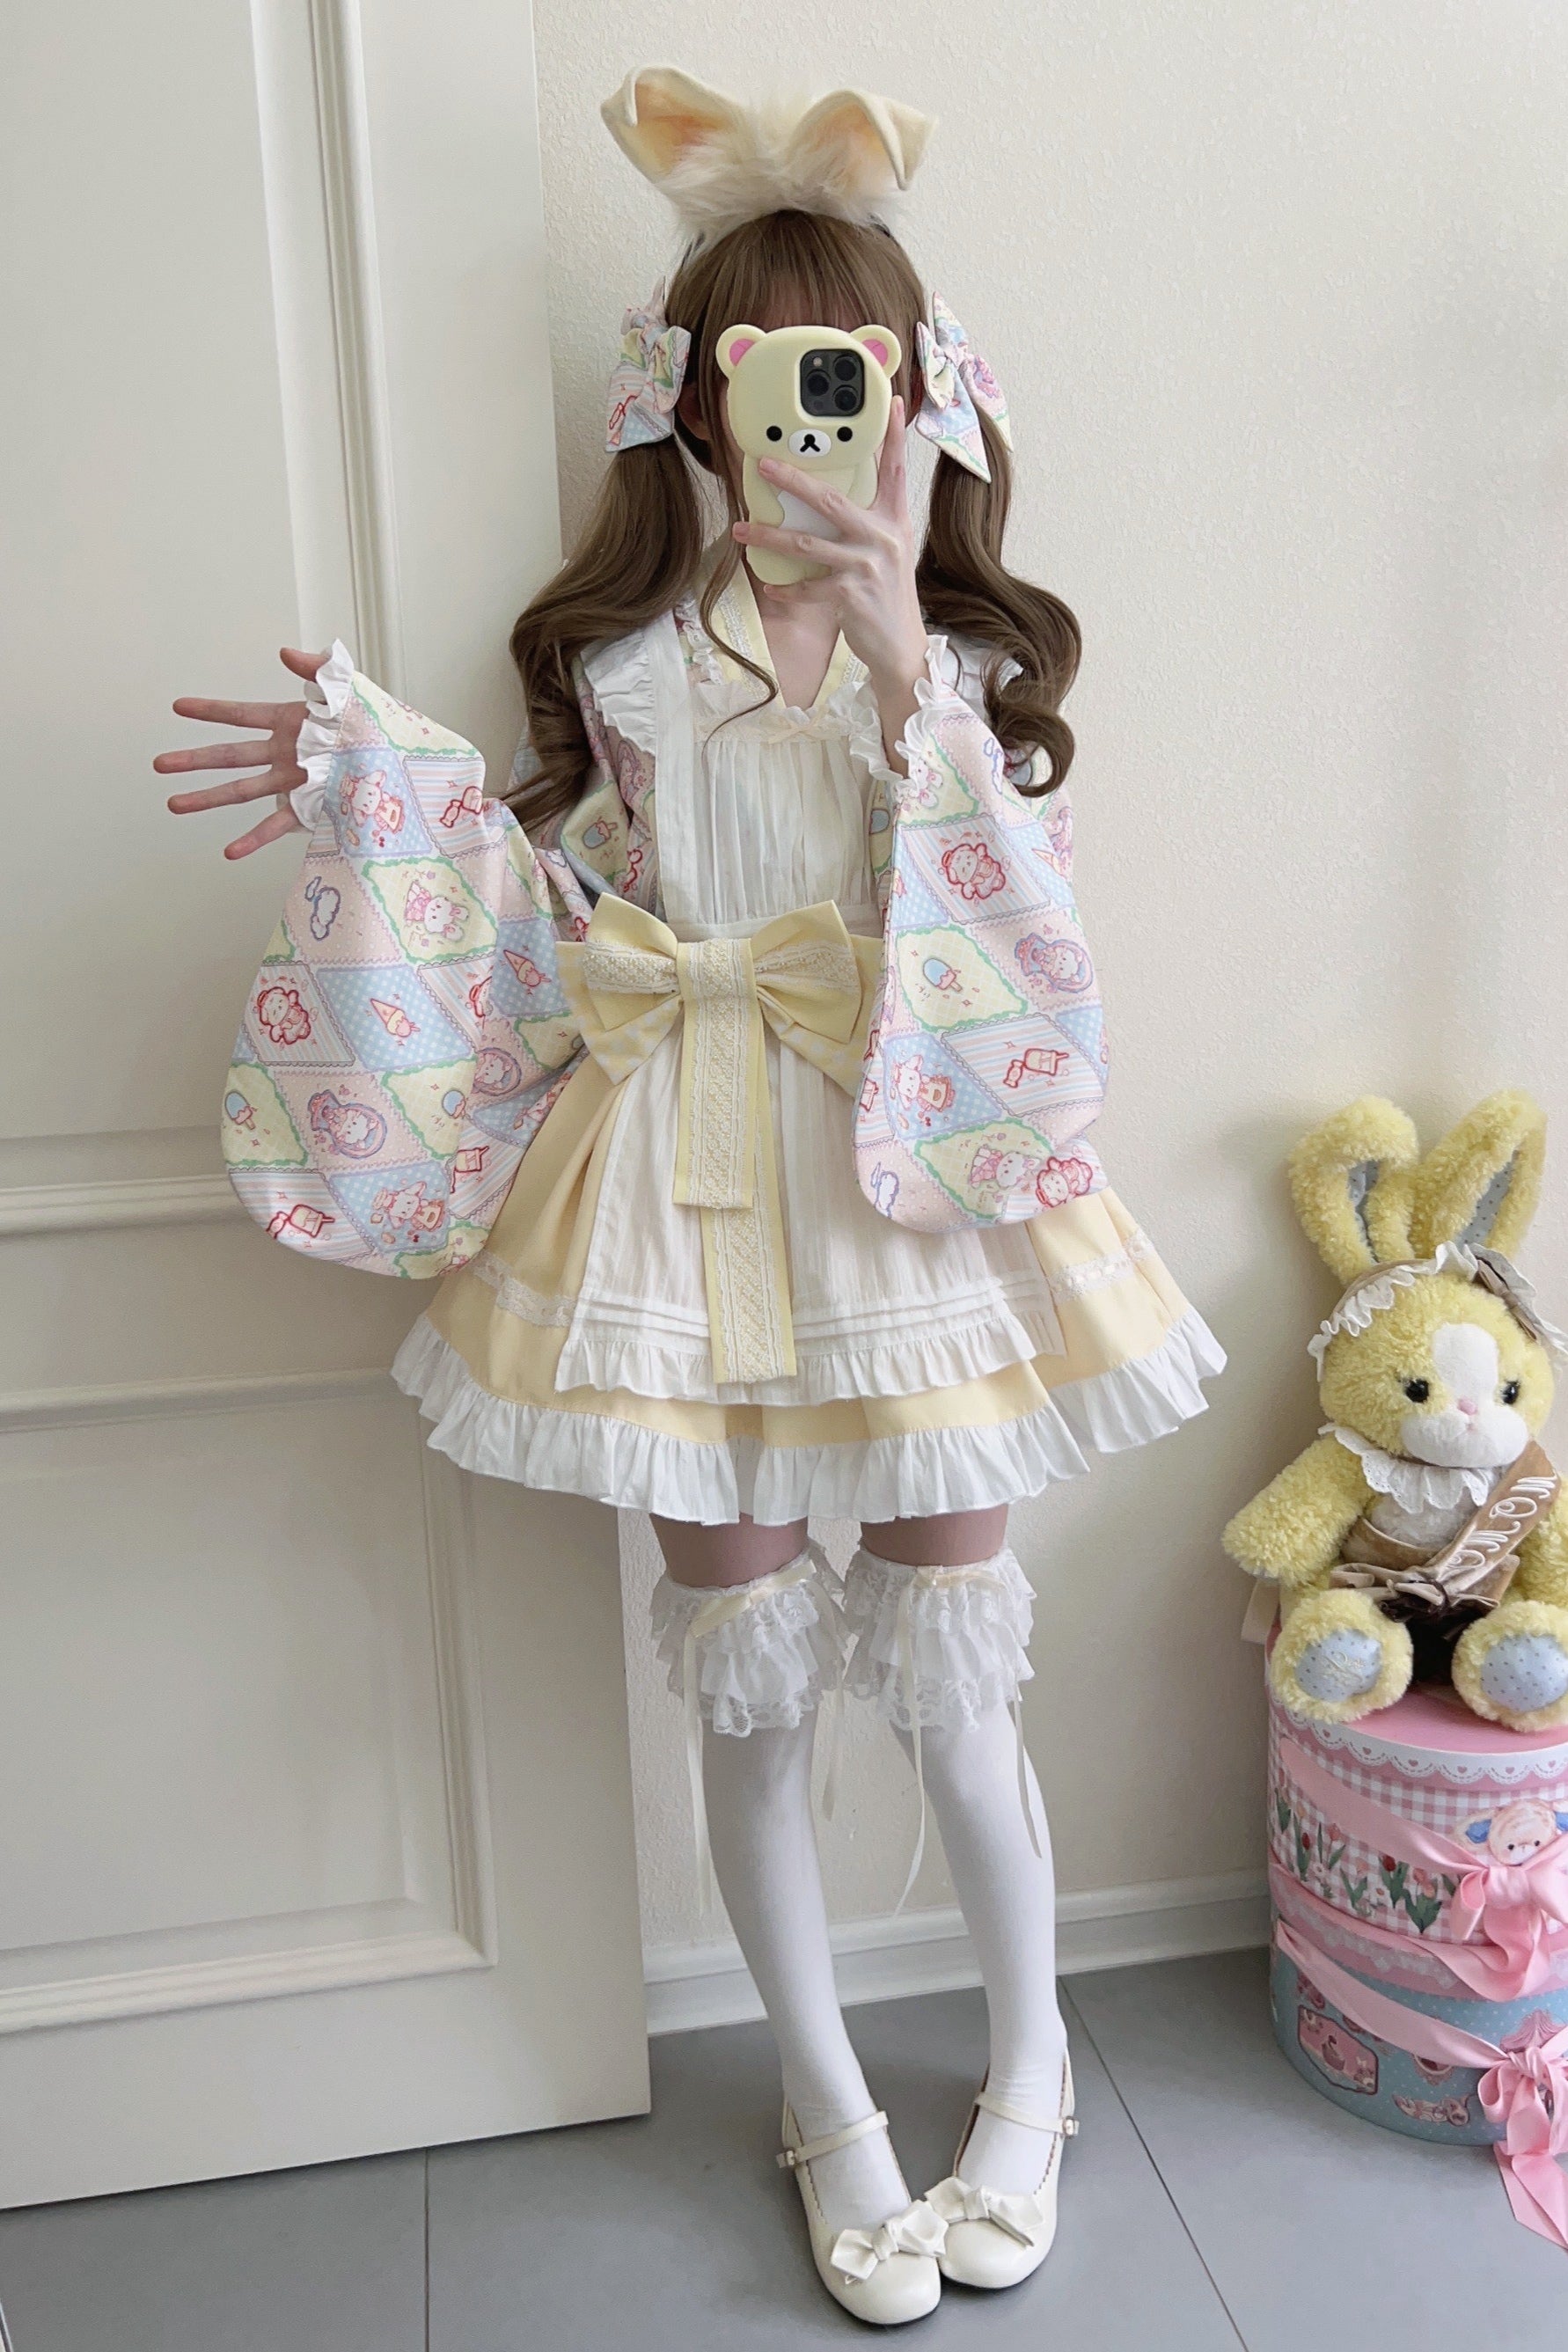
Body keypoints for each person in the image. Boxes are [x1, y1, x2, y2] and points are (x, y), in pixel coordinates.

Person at [158, 66, 1223, 2327]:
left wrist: (908, 657)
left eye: (856, 379)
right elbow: (543, 919)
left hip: (913, 1186)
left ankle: (1031, 2068)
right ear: (693, 397)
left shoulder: (976, 671)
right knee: (748, 1683)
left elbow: (1023, 947)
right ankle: (826, 2098)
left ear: (919, 402)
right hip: (674, 1190)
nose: (810, 425)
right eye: (772, 376)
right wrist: (384, 780)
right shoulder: (619, 666)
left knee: (958, 1675)